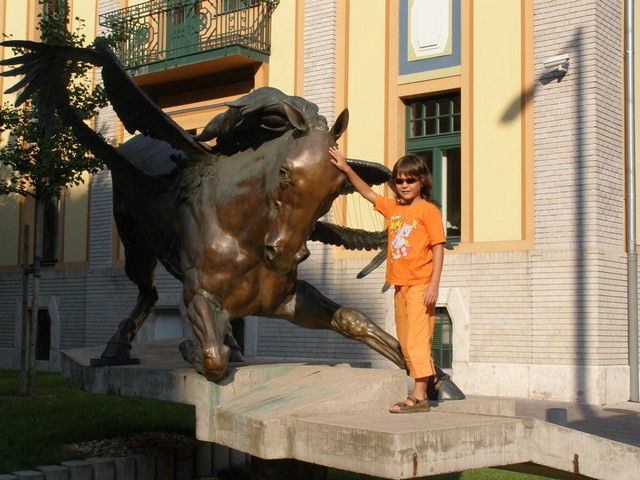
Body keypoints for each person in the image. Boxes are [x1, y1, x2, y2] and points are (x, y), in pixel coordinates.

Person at [329, 146, 446, 413]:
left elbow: (438, 247)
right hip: (400, 286)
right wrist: (346, 168)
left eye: (410, 180)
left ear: (422, 181)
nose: (404, 185)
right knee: (406, 342)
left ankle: (419, 397)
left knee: (417, 341)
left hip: (420, 285)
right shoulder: (394, 209)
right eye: (399, 180)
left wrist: (434, 285)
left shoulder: (429, 211)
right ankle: (424, 387)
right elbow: (368, 193)